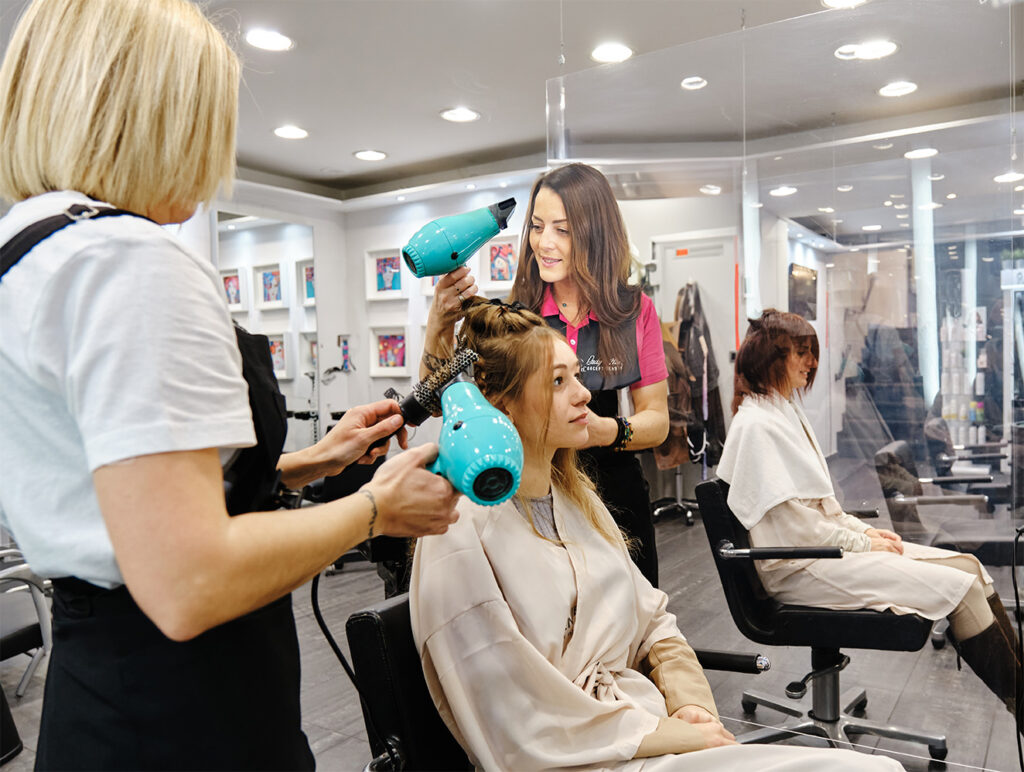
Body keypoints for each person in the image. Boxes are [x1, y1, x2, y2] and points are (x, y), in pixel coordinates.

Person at [0, 1, 459, 769]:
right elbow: (189, 579)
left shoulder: (28, 252)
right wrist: (376, 508)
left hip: (95, 695)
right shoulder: (126, 261)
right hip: (186, 710)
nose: (218, 155)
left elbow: (120, 499)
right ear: (156, 116)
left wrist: (309, 463)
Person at [410, 298, 901, 771]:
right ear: (499, 407)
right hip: (582, 758)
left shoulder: (577, 502)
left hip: (646, 733)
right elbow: (515, 722)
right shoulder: (456, 532)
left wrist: (691, 705)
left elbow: (653, 619)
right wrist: (669, 735)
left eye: (576, 374)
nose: (584, 394)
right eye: (558, 381)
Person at [718, 309, 1020, 719]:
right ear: (772, 357)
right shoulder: (756, 426)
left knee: (971, 567)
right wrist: (862, 541)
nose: (811, 363)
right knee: (962, 589)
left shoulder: (783, 412)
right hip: (799, 569)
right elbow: (794, 528)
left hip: (817, 552)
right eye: (801, 353)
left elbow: (822, 508)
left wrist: (863, 533)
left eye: (812, 353)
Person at [423, 162, 668, 586]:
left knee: (633, 621)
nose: (544, 243)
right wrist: (438, 325)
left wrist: (603, 430)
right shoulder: (517, 315)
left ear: (595, 233)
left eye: (563, 229)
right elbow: (438, 405)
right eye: (537, 227)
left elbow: (657, 421)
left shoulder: (634, 311)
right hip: (535, 495)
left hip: (616, 493)